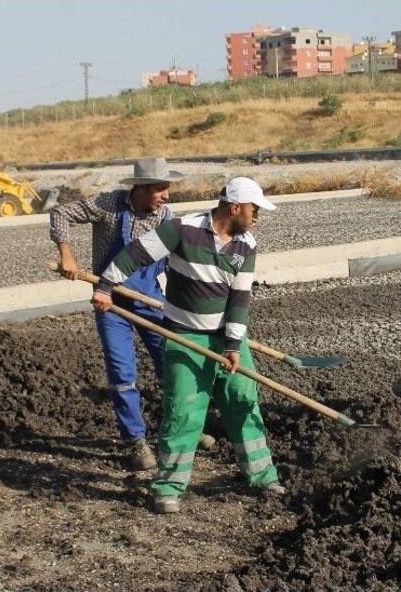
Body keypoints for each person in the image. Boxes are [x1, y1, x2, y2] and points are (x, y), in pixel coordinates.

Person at [93, 177, 285, 514]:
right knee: (183, 411)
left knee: (243, 401)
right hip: (185, 337)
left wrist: (233, 346)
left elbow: (240, 300)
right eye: (254, 209)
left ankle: (262, 476)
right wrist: (106, 287)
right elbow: (135, 254)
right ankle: (169, 487)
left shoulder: (246, 245)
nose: (257, 216)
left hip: (229, 336)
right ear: (235, 207)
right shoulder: (182, 229)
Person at [49, 157, 181, 470]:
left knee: (171, 364)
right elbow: (60, 213)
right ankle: (135, 440)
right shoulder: (107, 205)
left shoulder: (166, 217)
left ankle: (182, 428)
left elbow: (174, 261)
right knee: (123, 374)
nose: (166, 196)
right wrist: (67, 256)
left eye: (168, 188)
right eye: (160, 189)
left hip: (149, 298)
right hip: (109, 301)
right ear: (141, 188)